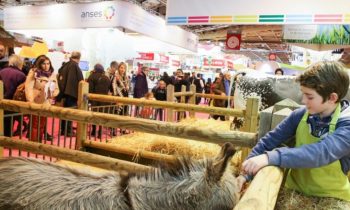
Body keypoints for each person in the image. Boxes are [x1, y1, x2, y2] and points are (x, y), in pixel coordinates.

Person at [241, 61, 350, 201]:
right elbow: (270, 141)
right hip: (294, 193)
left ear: (332, 98)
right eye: (303, 94)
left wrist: (270, 157)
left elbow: (320, 153)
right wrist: (245, 174)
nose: (303, 100)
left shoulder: (346, 125)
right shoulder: (300, 115)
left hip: (332, 198)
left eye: (309, 96)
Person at [25, 55, 58, 142]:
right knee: (35, 124)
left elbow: (56, 88)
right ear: (39, 64)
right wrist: (31, 101)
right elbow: (28, 87)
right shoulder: (34, 72)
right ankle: (33, 143)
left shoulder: (52, 74)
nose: (46, 66)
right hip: (36, 101)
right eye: (44, 64)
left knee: (42, 124)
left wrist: (52, 95)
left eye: (48, 63)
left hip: (46, 102)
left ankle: (38, 142)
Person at [56, 51, 84, 136]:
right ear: (79, 58)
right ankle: (68, 131)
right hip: (72, 93)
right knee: (70, 113)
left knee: (65, 113)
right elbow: (80, 80)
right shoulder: (75, 66)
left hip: (64, 92)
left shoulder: (65, 65)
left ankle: (63, 130)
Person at [0, 55, 26, 137]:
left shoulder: (2, 71)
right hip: (13, 101)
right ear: (20, 63)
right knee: (9, 121)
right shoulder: (21, 75)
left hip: (1, 99)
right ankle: (7, 139)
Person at [87, 64, 111, 138]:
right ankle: (100, 132)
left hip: (95, 100)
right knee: (102, 116)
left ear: (95, 69)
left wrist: (89, 100)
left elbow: (89, 89)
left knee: (94, 116)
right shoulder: (107, 78)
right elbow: (109, 89)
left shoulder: (91, 77)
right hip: (105, 100)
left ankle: (94, 131)